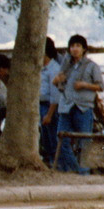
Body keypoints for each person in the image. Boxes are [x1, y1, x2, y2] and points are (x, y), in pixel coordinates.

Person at [52, 34, 103, 174]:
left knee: (84, 141)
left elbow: (100, 86)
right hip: (66, 106)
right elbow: (60, 85)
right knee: (61, 140)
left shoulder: (91, 66)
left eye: (78, 46)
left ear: (84, 49)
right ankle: (78, 170)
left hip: (83, 107)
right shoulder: (66, 66)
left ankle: (84, 173)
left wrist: (85, 85)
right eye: (72, 46)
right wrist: (57, 81)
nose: (75, 49)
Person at [39, 37, 62, 166]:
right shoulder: (42, 69)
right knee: (46, 139)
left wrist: (49, 114)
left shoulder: (54, 69)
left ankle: (56, 165)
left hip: (50, 107)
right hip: (42, 105)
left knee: (53, 139)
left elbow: (55, 95)